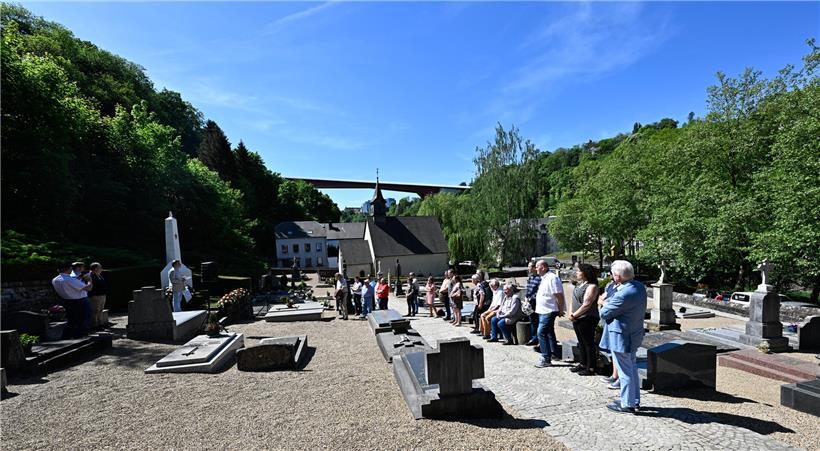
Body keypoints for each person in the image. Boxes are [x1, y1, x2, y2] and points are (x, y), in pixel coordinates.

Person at [600, 260, 647, 413]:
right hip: (634, 334)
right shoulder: (639, 287)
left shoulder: (623, 294)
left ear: (618, 277)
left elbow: (604, 313)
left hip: (622, 337)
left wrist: (603, 302)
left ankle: (627, 404)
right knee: (631, 368)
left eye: (614, 275)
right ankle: (634, 400)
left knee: (625, 371)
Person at [569, 263, 600, 376]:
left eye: (578, 271)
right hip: (577, 317)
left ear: (585, 273)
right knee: (581, 342)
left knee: (588, 343)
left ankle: (591, 367)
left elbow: (587, 304)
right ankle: (582, 363)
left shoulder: (592, 286)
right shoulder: (579, 285)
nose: (577, 273)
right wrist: (571, 313)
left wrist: (574, 315)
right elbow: (573, 301)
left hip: (587, 318)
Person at [534, 259, 566, 368]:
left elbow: (559, 295)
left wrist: (561, 309)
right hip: (543, 310)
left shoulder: (552, 278)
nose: (535, 268)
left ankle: (546, 357)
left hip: (549, 310)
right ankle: (554, 353)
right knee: (549, 332)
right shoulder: (544, 278)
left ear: (543, 267)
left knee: (541, 332)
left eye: (537, 266)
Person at [52, 261, 93, 338]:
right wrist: (89, 280)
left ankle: (66, 337)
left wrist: (79, 278)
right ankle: (80, 337)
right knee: (83, 320)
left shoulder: (55, 279)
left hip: (67, 301)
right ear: (69, 268)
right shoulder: (69, 279)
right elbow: (88, 288)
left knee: (72, 321)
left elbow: (72, 284)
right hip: (79, 301)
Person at [598, 275, 620, 389]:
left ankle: (619, 377)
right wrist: (605, 302)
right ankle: (614, 375)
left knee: (617, 351)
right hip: (608, 321)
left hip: (616, 321)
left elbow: (608, 303)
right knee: (613, 349)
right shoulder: (611, 286)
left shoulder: (622, 289)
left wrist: (605, 302)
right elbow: (600, 299)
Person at [525, 261, 542, 346]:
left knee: (538, 321)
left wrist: (531, 298)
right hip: (530, 302)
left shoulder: (539, 278)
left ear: (535, 268)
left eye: (530, 267)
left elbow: (539, 291)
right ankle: (534, 338)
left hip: (536, 302)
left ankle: (539, 339)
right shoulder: (530, 278)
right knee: (532, 321)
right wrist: (526, 297)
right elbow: (527, 289)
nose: (528, 268)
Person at [87, 262, 108, 328]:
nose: (101, 269)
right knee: (95, 310)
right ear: (96, 268)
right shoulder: (90, 276)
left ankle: (100, 323)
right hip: (95, 296)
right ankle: (95, 325)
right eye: (100, 267)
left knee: (100, 310)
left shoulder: (99, 275)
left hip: (102, 295)